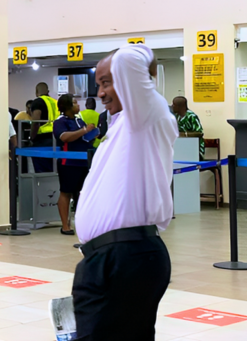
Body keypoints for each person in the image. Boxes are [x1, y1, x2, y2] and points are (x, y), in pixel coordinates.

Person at [73, 45, 177, 340]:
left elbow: (130, 59)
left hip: (126, 256)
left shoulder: (145, 116)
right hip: (107, 259)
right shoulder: (122, 126)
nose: (101, 93)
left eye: (107, 82)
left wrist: (146, 66)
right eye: (99, 85)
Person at [53, 94, 96, 236]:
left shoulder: (79, 120)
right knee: (66, 192)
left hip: (83, 161)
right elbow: (64, 137)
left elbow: (83, 138)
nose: (78, 105)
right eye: (75, 103)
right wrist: (84, 131)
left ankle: (83, 223)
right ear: (67, 106)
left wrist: (92, 133)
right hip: (68, 162)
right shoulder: (60, 121)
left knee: (82, 193)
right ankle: (65, 225)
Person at [29, 82, 59, 173]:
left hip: (42, 141)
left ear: (36, 92)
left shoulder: (37, 102)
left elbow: (35, 122)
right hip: (56, 139)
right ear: (48, 91)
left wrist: (31, 137)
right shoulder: (56, 102)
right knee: (54, 171)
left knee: (42, 172)